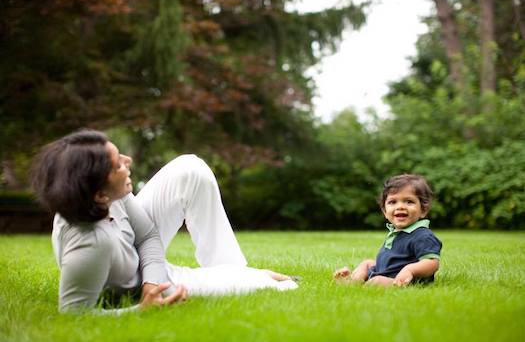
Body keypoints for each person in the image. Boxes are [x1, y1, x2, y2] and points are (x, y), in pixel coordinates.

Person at [31, 129, 297, 314]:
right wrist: (142, 307)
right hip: (129, 276)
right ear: (100, 194)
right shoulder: (91, 246)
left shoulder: (108, 195)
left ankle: (228, 270)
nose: (128, 161)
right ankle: (236, 279)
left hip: (140, 265)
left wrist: (153, 279)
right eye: (118, 165)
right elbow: (74, 314)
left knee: (190, 168)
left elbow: (146, 236)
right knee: (283, 286)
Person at [333, 174, 442, 287]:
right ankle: (352, 282)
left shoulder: (422, 235)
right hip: (387, 272)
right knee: (367, 263)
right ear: (385, 211)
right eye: (393, 202)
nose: (400, 206)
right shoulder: (396, 232)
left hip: (403, 280)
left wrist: (410, 270)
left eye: (409, 201)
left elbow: (432, 263)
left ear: (423, 210)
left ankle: (364, 286)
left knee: (376, 282)